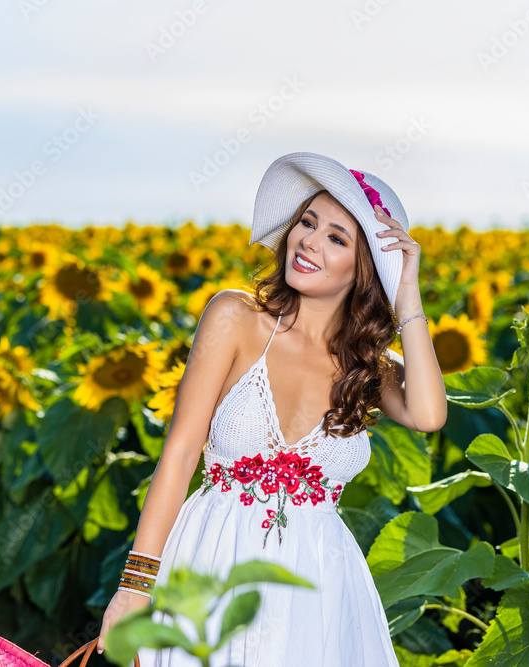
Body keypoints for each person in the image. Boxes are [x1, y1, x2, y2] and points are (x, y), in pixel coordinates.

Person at [96, 151, 447, 665]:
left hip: (319, 586)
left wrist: (407, 294)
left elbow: (429, 416)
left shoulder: (371, 367)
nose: (308, 241)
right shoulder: (235, 318)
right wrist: (136, 585)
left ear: (364, 267)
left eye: (336, 237)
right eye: (308, 222)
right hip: (212, 559)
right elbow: (180, 451)